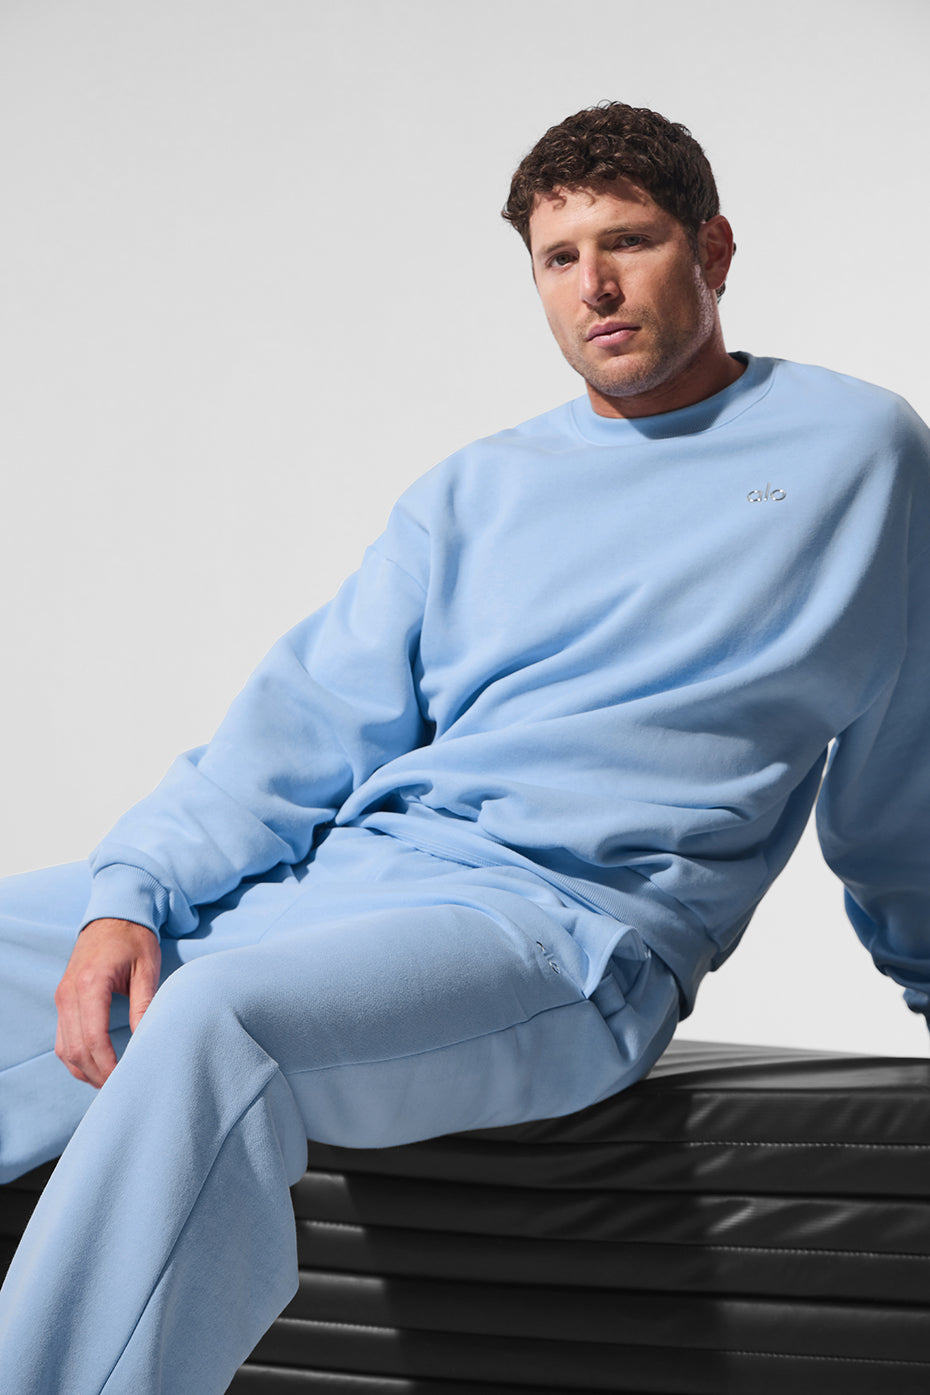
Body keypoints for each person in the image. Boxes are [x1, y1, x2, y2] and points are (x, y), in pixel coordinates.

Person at [1, 99, 928, 1393]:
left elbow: (905, 772)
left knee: (214, 1017)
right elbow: (295, 731)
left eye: (630, 241)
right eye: (558, 258)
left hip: (565, 935)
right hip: (351, 886)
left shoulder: (857, 452)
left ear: (713, 249)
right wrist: (129, 893)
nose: (594, 287)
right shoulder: (473, 491)